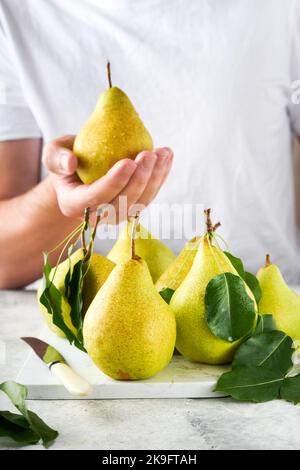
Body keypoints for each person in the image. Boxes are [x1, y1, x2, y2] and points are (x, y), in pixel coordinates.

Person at [0, 0, 299, 289]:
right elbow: (5, 260)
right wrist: (72, 201)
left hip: (264, 321)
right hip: (97, 323)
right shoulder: (15, 14)